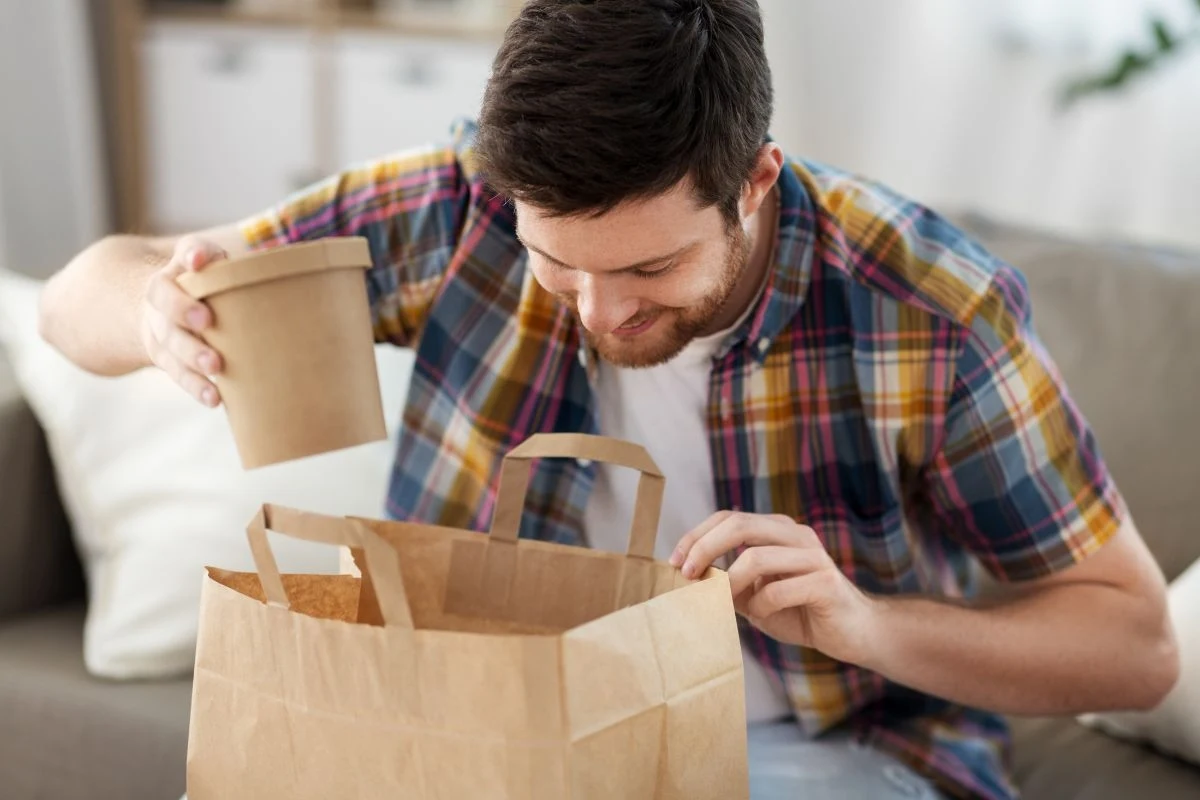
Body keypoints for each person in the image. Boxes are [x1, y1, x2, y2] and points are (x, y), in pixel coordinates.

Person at [40, 1, 1177, 797]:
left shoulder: (930, 309)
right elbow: (74, 299)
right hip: (474, 729)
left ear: (755, 182)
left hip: (821, 748)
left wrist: (866, 625)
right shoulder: (455, 207)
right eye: (555, 263)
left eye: (650, 268)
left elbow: (1133, 647)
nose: (598, 311)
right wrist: (153, 307)